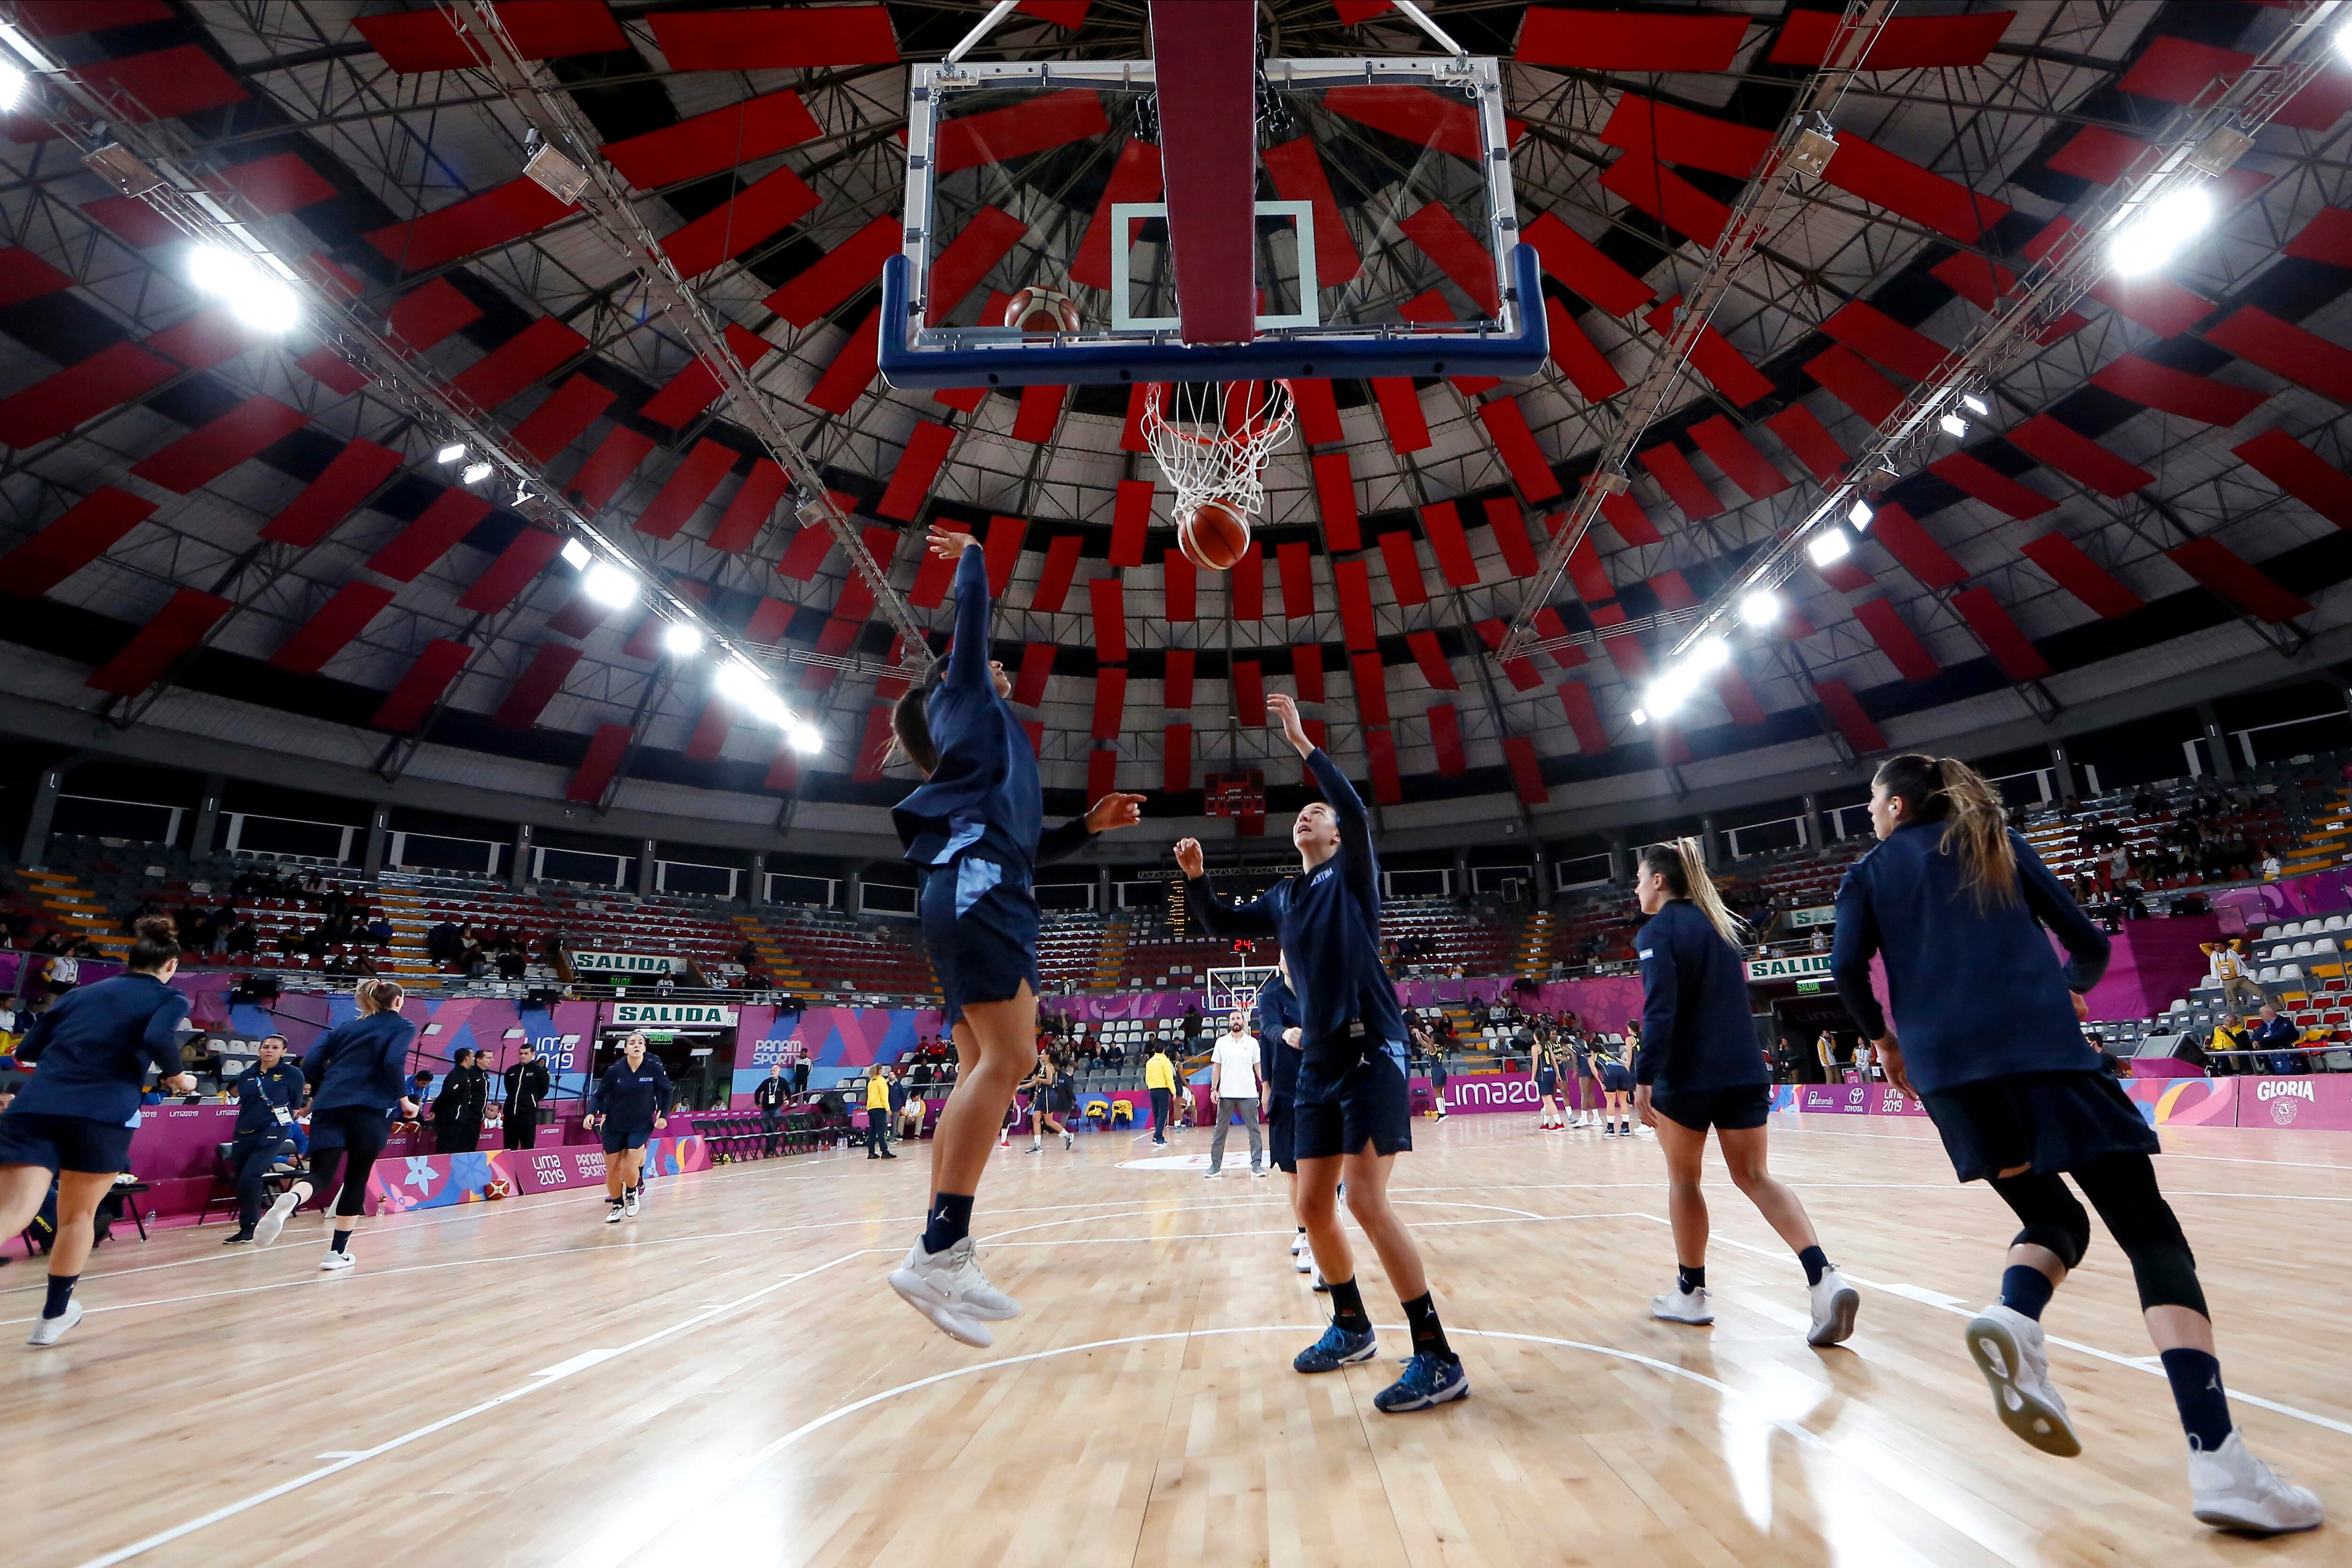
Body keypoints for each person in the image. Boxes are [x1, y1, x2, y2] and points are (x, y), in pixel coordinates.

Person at [1833, 753, 2321, 1534]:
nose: (1868, 814)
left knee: (2056, 1223)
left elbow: (1843, 968)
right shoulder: (1994, 838)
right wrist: (2066, 981)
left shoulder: (1867, 874)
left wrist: (1886, 1045)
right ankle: (2220, 1457)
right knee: (2150, 1233)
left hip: (1951, 1081)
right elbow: (2087, 941)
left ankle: (2017, 1315)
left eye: (1869, 803)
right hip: (2044, 1058)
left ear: (1894, 804)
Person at [882, 525, 1144, 1348]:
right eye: (984, 663)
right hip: (978, 885)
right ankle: (940, 1247)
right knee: (1012, 1057)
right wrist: (974, 558)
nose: (998, 669)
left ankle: (945, 1245)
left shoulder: (990, 749)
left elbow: (1024, 838)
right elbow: (974, 620)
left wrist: (1086, 827)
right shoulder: (960, 700)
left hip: (983, 880)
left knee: (981, 1062)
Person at [1177, 691, 1467, 1414]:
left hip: (1373, 1049)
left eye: (1318, 815)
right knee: (1311, 1203)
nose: (1306, 816)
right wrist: (1196, 881)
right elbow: (1219, 919)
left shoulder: (1354, 875)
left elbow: (1358, 811)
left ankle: (1437, 1355)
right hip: (1319, 1064)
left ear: (1336, 837)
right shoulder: (1284, 896)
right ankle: (1352, 1326)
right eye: (1302, 813)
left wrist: (1302, 743)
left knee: (1365, 1200)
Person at [1634, 840, 1859, 1349]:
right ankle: (1824, 1277)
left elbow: (1660, 1011)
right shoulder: (1718, 927)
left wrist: (1643, 1075)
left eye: (1639, 877)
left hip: (1686, 1077)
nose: (1635, 887)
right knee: (1755, 1176)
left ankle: (1690, 1293)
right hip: (1742, 1070)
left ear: (1658, 881)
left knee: (1683, 1179)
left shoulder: (1657, 932)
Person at [0, 917, 193, 1344]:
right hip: (101, 1114)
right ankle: (52, 1318)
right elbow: (160, 1036)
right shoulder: (170, 997)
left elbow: (29, 1049)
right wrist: (179, 1076)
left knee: (10, 1215)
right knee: (77, 1217)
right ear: (171, 965)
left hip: (36, 1106)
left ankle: (55, 1316)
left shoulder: (80, 994)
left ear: (131, 959)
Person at [286, 979, 419, 1273]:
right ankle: (336, 1252)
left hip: (329, 1106)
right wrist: (405, 1101)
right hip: (369, 1110)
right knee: (357, 1177)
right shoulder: (403, 1026)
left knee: (320, 1175)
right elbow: (393, 1061)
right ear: (398, 1001)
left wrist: (329, 1085)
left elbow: (308, 1066)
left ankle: (291, 1198)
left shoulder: (344, 1027)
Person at [222, 1035, 308, 1247]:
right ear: (259, 1050)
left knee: (252, 1175)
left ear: (283, 1051)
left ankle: (250, 1227)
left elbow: (295, 1106)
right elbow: (246, 1103)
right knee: (242, 1177)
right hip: (245, 1130)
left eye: (275, 1048)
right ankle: (248, 1226)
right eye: (265, 1047)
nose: (269, 1051)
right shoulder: (247, 1075)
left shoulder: (293, 1074)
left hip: (275, 1128)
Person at [1256, 956, 1311, 1272]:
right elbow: (1269, 1030)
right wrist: (1266, 1084)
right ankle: (1304, 1233)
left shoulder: (1318, 989)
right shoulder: (1271, 996)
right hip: (1286, 1091)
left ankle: (1321, 1227)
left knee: (1319, 1168)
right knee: (1292, 1169)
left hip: (1321, 1087)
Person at [587, 1033, 671, 1222]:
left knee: (630, 1164)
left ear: (645, 1048)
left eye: (640, 1043)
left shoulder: (654, 1069)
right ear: (625, 1049)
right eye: (632, 1043)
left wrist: (664, 1115)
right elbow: (599, 1095)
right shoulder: (615, 1071)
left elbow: (667, 1092)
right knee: (614, 1169)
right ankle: (617, 1205)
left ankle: (632, 1193)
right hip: (614, 1125)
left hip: (641, 1124)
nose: (636, 1046)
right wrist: (591, 1113)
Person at [1205, 1009, 1264, 1178]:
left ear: (1244, 1021)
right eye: (1233, 1019)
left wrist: (1265, 1085)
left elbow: (1258, 1067)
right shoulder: (1221, 1043)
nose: (1236, 1021)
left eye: (1239, 1018)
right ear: (1229, 1023)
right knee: (1220, 1131)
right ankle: (1215, 1166)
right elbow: (1217, 1068)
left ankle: (1257, 1165)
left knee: (1254, 1130)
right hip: (1226, 1094)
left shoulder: (1253, 1043)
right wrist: (1214, 1089)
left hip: (1249, 1093)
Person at [432, 1046, 486, 1155]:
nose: (474, 1059)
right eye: (472, 1057)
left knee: (456, 1148)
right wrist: (435, 1110)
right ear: (466, 1059)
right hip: (452, 1119)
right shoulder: (458, 1076)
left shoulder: (465, 1075)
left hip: (459, 1118)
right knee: (447, 1149)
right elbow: (446, 1095)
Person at [502, 1043, 549, 1150]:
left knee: (527, 1146)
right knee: (509, 1146)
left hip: (528, 1115)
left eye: (526, 1054)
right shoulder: (512, 1071)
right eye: (521, 1053)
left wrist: (532, 1100)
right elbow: (509, 1088)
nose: (523, 1056)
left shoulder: (539, 1071)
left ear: (533, 1054)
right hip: (511, 1114)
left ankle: (525, 1166)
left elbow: (544, 1090)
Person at [1598, 1032, 1637, 1136]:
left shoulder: (1593, 1057)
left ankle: (1610, 1129)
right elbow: (1625, 1064)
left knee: (1611, 1102)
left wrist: (1600, 1082)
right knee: (1623, 1101)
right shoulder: (1610, 1055)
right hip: (1623, 1071)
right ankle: (1626, 1128)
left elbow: (1594, 1070)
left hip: (1610, 1074)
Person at [2252, 1003, 2304, 1075]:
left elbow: (2280, 1035)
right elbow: (2257, 1034)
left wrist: (2262, 1041)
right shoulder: (2263, 1024)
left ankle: (2269, 1069)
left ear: (2268, 1013)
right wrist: (2255, 1041)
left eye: (2261, 1013)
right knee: (2245, 1043)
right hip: (2265, 1042)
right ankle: (2248, 1070)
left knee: (2265, 1043)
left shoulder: (2284, 1022)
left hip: (2281, 1043)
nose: (2260, 1016)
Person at [754, 1060, 789, 1156]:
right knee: (766, 1129)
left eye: (774, 1070)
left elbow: (788, 1091)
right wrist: (758, 1103)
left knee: (774, 1128)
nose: (772, 1072)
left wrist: (788, 1099)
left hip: (776, 1108)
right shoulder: (767, 1082)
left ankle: (772, 1149)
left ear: (779, 1071)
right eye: (771, 1071)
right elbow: (757, 1092)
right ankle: (768, 1148)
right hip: (766, 1109)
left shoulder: (782, 1082)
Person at [1533, 1026, 1565, 1130]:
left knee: (1549, 1101)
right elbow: (1554, 1062)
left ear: (1535, 1037)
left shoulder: (1536, 1047)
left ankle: (1559, 1123)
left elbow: (1535, 1064)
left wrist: (1532, 1078)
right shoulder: (1548, 1046)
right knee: (1547, 1102)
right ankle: (1546, 1124)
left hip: (1543, 1075)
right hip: (1551, 1074)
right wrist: (1558, 1075)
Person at [1144, 1044, 1176, 1146]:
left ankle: (1159, 1136)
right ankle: (1157, 1137)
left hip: (1152, 1089)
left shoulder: (1149, 1062)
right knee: (1163, 1113)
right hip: (1162, 1088)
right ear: (1163, 1051)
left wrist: (1150, 1086)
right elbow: (1169, 1078)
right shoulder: (1165, 1061)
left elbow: (1147, 1078)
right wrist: (1174, 1091)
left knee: (1156, 1114)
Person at [865, 1066, 897, 1159]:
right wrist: (888, 1109)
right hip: (879, 1108)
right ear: (880, 1071)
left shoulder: (871, 1082)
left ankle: (871, 1152)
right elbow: (884, 1096)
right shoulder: (881, 1081)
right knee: (881, 1131)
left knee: (872, 1131)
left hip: (871, 1108)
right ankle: (885, 1151)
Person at [1427, 1049, 1449, 1120]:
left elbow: (1423, 1042)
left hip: (1436, 1070)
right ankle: (1443, 1111)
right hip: (1442, 1069)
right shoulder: (1440, 1047)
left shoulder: (1433, 1048)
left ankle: (1441, 1113)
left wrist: (1419, 1037)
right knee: (1441, 1092)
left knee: (1436, 1093)